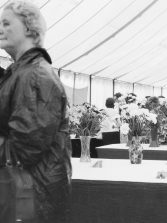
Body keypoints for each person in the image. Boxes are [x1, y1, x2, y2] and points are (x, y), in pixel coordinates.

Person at [0, 1, 71, 222]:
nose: (0, 29)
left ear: (29, 28)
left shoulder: (35, 75)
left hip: (30, 194)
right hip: (27, 190)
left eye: (6, 23)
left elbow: (26, 145)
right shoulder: (22, 72)